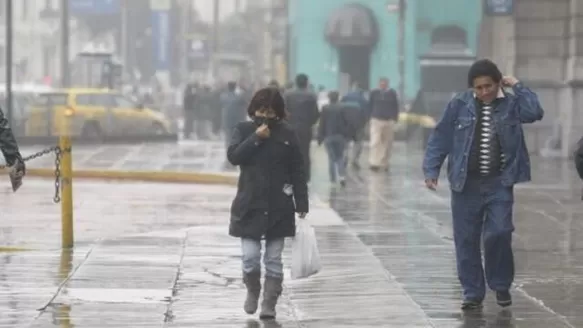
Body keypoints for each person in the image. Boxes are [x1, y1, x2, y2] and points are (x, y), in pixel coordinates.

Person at [423, 59, 544, 310]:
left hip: (500, 182)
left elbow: (534, 112)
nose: (484, 92)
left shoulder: (511, 104)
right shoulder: (459, 104)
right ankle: (472, 292)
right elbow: (441, 136)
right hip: (465, 184)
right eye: (478, 88)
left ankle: (500, 284)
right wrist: (431, 169)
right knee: (466, 239)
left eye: (488, 86)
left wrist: (518, 85)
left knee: (499, 232)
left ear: (498, 82)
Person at [226, 87, 309, 320]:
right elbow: (233, 157)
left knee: (273, 259)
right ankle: (252, 290)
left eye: (271, 112)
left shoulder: (288, 134)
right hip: (249, 205)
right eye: (262, 111)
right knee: (250, 258)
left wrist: (301, 201)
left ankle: (269, 303)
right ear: (254, 110)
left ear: (279, 113)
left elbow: (297, 170)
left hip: (279, 206)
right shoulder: (243, 130)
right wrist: (255, 139)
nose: (266, 116)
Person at [284, 74, 320, 182]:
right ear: (306, 82)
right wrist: (310, 123)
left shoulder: (288, 95)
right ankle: (305, 176)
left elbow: (284, 112)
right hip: (305, 129)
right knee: (305, 152)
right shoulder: (312, 96)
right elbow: (316, 114)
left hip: (291, 128)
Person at [318, 91, 351, 186]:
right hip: (340, 136)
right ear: (338, 98)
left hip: (329, 136)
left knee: (331, 158)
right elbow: (347, 122)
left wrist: (320, 137)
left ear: (329, 98)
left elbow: (322, 124)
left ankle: (332, 179)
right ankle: (342, 176)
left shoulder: (325, 108)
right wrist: (347, 135)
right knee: (340, 156)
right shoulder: (343, 108)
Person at [368, 77, 399, 171]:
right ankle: (374, 162)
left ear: (387, 84)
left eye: (384, 84)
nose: (383, 85)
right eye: (381, 84)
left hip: (389, 120)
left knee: (387, 142)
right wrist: (369, 117)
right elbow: (369, 105)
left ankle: (384, 162)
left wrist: (395, 119)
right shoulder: (374, 93)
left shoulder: (392, 93)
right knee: (375, 142)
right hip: (376, 120)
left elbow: (396, 106)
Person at [341, 81, 369, 169]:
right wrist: (364, 124)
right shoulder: (363, 99)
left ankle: (345, 157)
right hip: (358, 125)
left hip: (346, 124)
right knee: (358, 142)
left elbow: (340, 110)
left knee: (345, 142)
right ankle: (354, 160)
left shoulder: (345, 97)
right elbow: (366, 113)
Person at [221, 81, 248, 149]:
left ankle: (228, 154)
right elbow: (245, 104)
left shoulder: (223, 96)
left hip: (227, 120)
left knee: (228, 138)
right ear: (235, 87)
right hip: (237, 120)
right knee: (237, 138)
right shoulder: (239, 97)